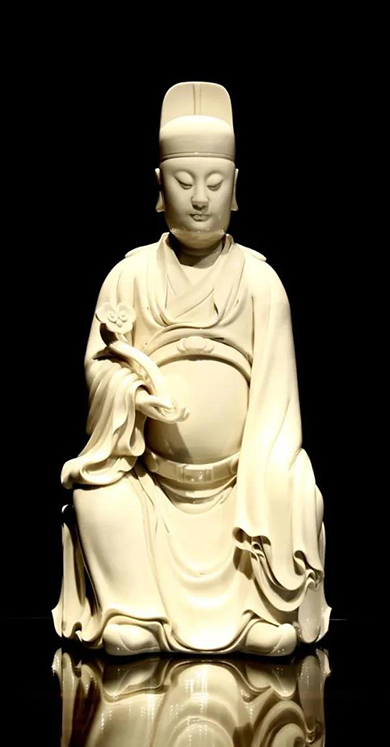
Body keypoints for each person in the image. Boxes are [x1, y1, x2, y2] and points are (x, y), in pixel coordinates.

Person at [53, 82, 330, 656]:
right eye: (184, 183)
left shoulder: (260, 282)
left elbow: (278, 403)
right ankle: (137, 614)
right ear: (159, 188)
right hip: (153, 483)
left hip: (239, 488)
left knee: (297, 484)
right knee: (96, 495)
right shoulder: (128, 277)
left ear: (236, 188)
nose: (200, 198)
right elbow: (99, 370)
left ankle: (258, 610)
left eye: (214, 183)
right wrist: (130, 396)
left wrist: (262, 471)